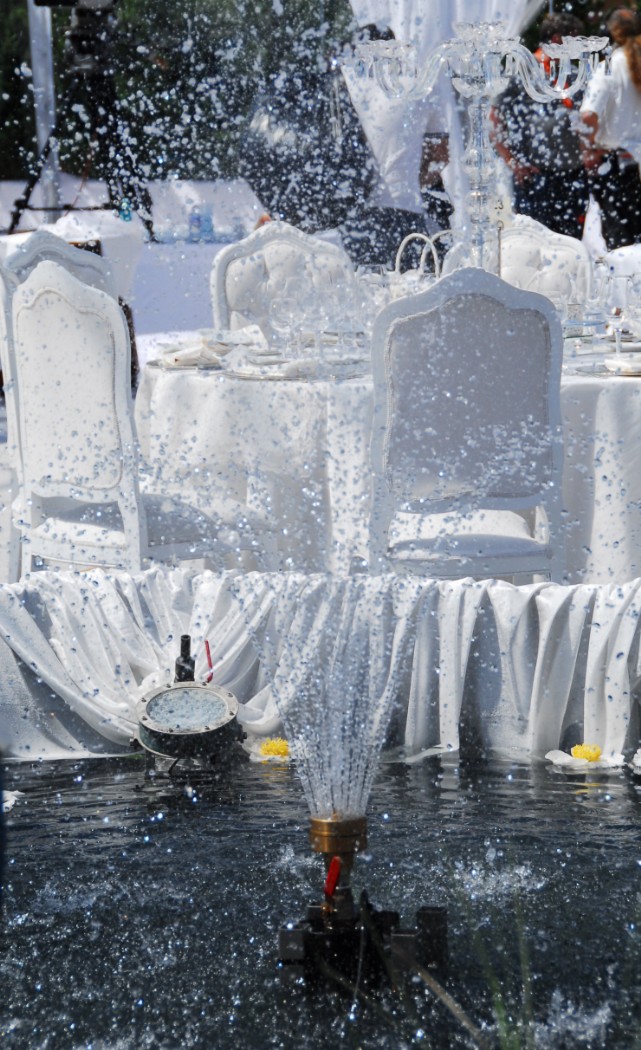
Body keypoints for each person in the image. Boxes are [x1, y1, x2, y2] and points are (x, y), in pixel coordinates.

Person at [339, 24, 453, 270]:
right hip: (404, 208)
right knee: (412, 288)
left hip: (352, 213)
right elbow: (441, 153)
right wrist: (411, 179)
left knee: (360, 286)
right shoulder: (419, 84)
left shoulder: (348, 85)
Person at [491, 14, 589, 240]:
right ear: (556, 39)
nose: (579, 47)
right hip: (535, 176)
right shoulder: (520, 70)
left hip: (573, 174)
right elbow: (494, 119)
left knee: (572, 244)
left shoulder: (574, 75)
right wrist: (512, 161)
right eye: (575, 40)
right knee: (535, 242)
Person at [580, 8, 641, 250]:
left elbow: (587, 116)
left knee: (622, 245)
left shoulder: (608, 67)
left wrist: (589, 151)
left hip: (619, 167)